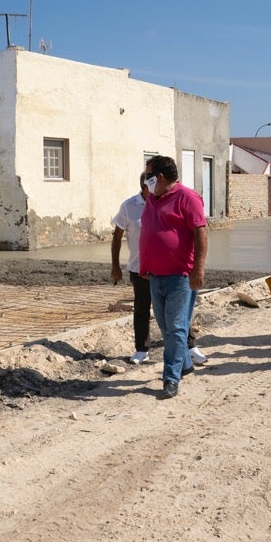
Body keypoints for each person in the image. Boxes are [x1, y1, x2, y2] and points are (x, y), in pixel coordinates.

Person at [111, 174, 208, 366]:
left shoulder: (166, 203)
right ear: (144, 187)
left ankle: (189, 347)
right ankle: (141, 349)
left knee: (177, 312)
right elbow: (117, 236)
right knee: (141, 309)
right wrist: (115, 266)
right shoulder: (129, 206)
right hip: (139, 268)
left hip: (170, 268)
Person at [139, 155, 208, 399]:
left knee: (177, 328)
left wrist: (198, 270)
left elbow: (201, 233)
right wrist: (145, 265)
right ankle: (186, 364)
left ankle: (171, 378)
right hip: (155, 275)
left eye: (148, 175)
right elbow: (149, 233)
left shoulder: (187, 197)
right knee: (166, 326)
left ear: (160, 176)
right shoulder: (152, 200)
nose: (145, 179)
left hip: (180, 275)